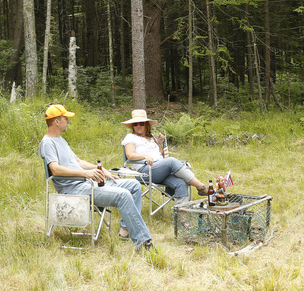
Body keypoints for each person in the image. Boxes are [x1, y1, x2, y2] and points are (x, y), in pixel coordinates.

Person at [39, 103, 154, 251]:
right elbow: (55, 169)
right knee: (123, 195)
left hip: (86, 184)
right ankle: (144, 243)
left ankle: (126, 230)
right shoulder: (47, 143)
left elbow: (78, 162)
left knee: (134, 186)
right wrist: (86, 174)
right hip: (74, 189)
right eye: (66, 119)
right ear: (57, 121)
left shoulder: (61, 140)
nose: (68, 121)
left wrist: (100, 169)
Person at [122, 108, 207, 205]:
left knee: (181, 183)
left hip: (160, 170)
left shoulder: (152, 137)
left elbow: (162, 156)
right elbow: (130, 155)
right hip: (145, 172)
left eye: (141, 123)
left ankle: (182, 217)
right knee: (171, 161)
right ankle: (202, 187)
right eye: (135, 124)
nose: (138, 126)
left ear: (146, 124)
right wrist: (145, 156)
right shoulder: (131, 137)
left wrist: (160, 144)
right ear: (132, 126)